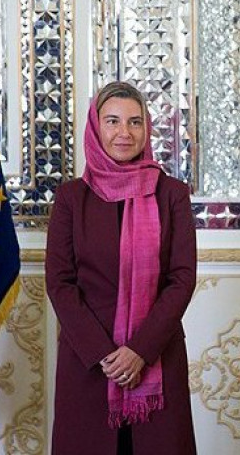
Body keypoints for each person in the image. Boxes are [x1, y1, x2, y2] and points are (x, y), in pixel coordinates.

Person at [46, 81, 197, 455]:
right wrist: (106, 355)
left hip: (157, 356)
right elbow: (60, 283)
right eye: (112, 121)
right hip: (89, 363)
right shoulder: (71, 198)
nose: (124, 133)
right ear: (96, 127)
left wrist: (139, 351)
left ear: (147, 128)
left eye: (135, 122)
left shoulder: (172, 194)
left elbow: (181, 279)